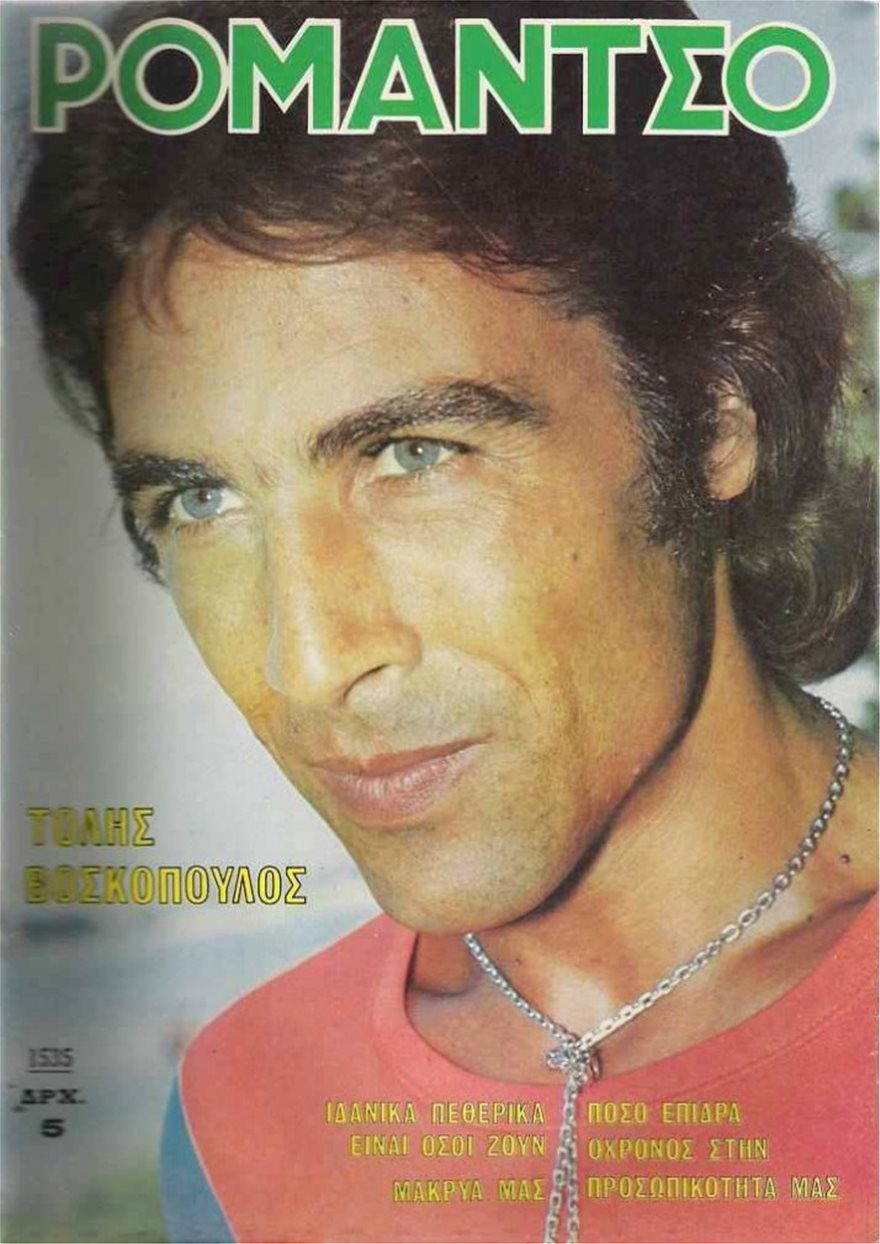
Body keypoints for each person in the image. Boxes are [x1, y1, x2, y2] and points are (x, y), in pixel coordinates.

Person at [12, 1, 877, 1240]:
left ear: (715, 415)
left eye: (413, 452)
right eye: (200, 499)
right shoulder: (238, 1109)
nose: (309, 661)